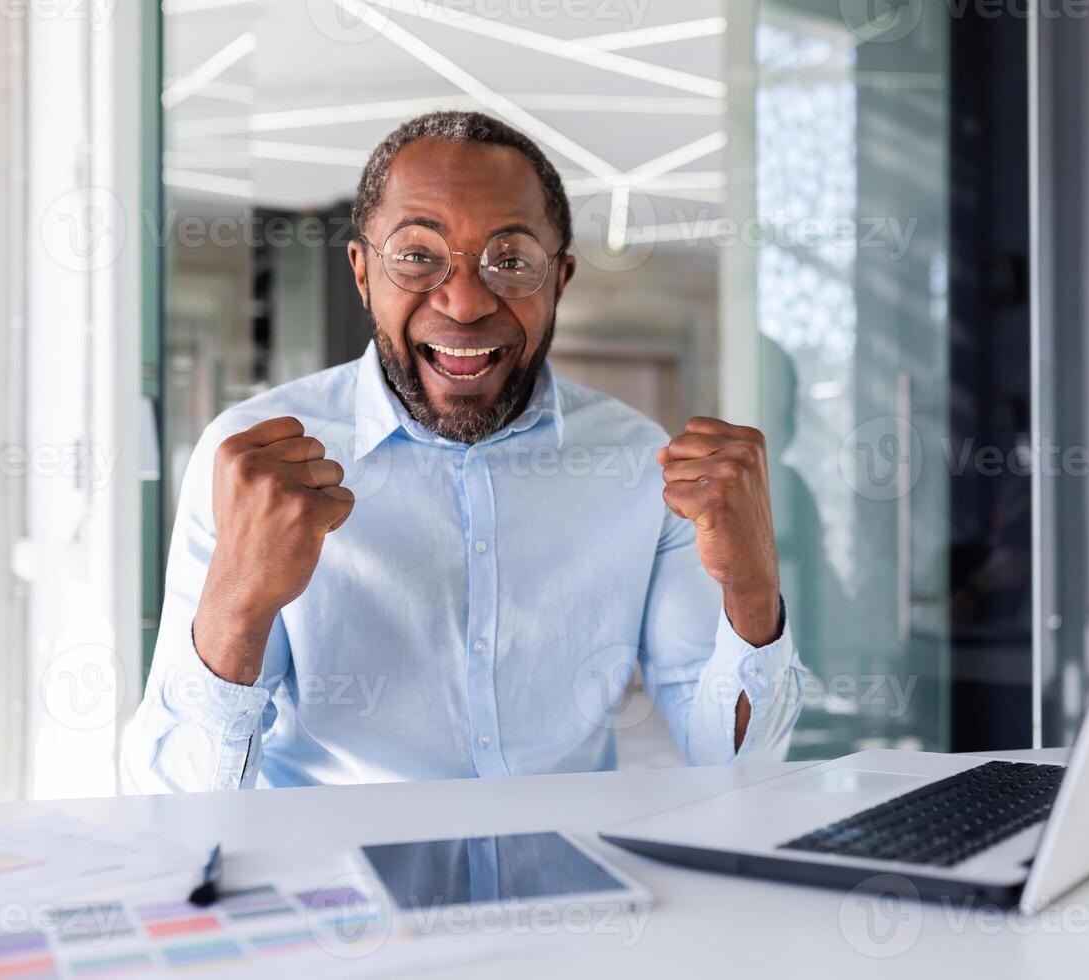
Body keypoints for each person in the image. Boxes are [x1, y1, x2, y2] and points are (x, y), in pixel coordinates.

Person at [121, 111, 806, 791]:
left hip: (568, 886)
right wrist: (239, 605)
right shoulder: (250, 460)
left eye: (510, 261)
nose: (465, 301)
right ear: (362, 273)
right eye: (418, 256)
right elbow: (172, 802)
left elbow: (737, 766)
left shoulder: (638, 462)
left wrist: (751, 587)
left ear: (560, 279)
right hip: (342, 883)